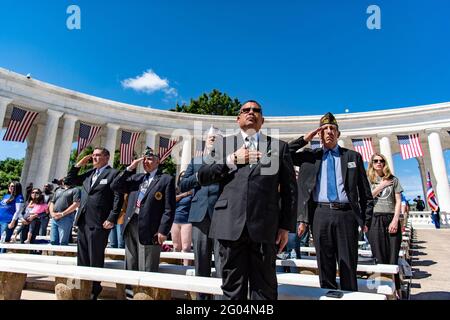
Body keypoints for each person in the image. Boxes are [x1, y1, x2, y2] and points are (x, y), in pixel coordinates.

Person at [198, 100, 297, 300]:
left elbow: (290, 191)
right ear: (238, 118)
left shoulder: (279, 147)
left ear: (262, 119)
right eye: (246, 110)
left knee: (264, 290)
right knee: (232, 291)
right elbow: (203, 176)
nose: (251, 112)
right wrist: (231, 160)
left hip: (264, 227)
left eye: (256, 110)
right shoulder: (223, 144)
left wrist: (286, 226)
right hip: (229, 226)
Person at [289, 112, 374, 291]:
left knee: (348, 264)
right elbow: (283, 154)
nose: (329, 132)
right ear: (319, 134)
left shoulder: (352, 157)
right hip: (320, 214)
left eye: (332, 129)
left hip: (347, 215)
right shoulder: (310, 156)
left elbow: (365, 192)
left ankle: (350, 293)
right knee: (325, 263)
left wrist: (366, 219)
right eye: (324, 129)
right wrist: (305, 139)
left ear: (338, 134)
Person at [65, 147, 124, 300]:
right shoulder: (89, 174)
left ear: (107, 157)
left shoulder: (113, 174)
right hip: (84, 220)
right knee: (82, 257)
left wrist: (112, 218)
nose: (94, 158)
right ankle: (81, 288)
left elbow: (118, 197)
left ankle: (94, 290)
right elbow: (69, 180)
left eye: (98, 156)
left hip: (99, 222)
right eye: (93, 156)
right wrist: (79, 164)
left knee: (95, 257)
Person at [111, 147, 175, 274]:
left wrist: (163, 230)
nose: (146, 162)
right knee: (130, 262)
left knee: (148, 265)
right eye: (144, 159)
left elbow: (169, 208)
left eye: (150, 159)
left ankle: (146, 293)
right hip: (131, 223)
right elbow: (115, 185)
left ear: (158, 162)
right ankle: (130, 293)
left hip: (151, 228)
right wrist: (129, 168)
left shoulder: (166, 179)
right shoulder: (137, 178)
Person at [179, 126, 223, 300]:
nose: (213, 140)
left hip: (221, 214)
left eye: (217, 138)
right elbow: (182, 185)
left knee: (221, 261)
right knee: (201, 261)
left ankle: (221, 299)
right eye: (211, 138)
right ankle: (201, 299)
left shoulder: (227, 160)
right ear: (205, 140)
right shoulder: (195, 161)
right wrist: (200, 177)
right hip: (199, 214)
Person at [366, 152, 403, 296]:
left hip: (390, 218)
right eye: (375, 161)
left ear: (384, 163)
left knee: (392, 258)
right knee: (379, 257)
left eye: (381, 161)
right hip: (375, 219)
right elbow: (368, 197)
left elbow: (398, 201)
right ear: (372, 164)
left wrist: (395, 220)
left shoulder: (393, 179)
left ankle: (397, 291)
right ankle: (383, 291)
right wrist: (381, 186)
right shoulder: (369, 180)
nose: (379, 163)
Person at [49, 177, 80, 246]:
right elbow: (52, 202)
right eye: (64, 179)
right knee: (53, 240)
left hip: (66, 217)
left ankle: (61, 254)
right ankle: (53, 255)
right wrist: (52, 213)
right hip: (55, 217)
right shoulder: (58, 190)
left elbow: (76, 204)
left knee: (63, 241)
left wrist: (63, 213)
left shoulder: (75, 190)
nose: (65, 180)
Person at [171, 171, 193, 266]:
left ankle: (186, 268)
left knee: (186, 248)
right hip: (175, 220)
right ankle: (177, 269)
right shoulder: (175, 190)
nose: (183, 178)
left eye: (185, 177)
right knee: (176, 246)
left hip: (187, 221)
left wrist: (188, 193)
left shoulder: (193, 190)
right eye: (181, 177)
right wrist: (184, 194)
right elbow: (171, 200)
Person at [0, 181, 24, 251]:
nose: (10, 187)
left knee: (3, 240)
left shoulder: (19, 197)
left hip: (8, 221)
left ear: (17, 187)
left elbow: (18, 210)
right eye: (9, 185)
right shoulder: (6, 195)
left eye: (13, 186)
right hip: (0, 219)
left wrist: (13, 222)